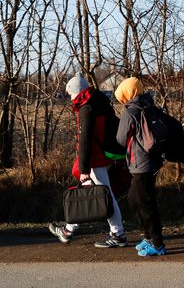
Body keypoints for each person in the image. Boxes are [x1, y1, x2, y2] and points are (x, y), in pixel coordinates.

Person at [48, 74, 128, 248]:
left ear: (77, 92)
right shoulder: (100, 102)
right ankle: (68, 230)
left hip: (95, 158)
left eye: (70, 94)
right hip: (104, 155)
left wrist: (84, 168)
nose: (70, 98)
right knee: (88, 193)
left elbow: (85, 140)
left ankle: (118, 234)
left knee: (105, 196)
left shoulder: (86, 109)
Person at [114, 77, 167, 257]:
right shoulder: (149, 104)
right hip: (153, 161)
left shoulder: (130, 111)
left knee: (143, 203)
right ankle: (149, 237)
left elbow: (120, 139)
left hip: (140, 163)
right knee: (137, 199)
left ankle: (157, 243)